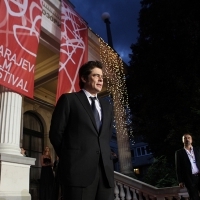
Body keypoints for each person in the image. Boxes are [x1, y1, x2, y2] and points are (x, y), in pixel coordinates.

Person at [49, 61, 114, 200]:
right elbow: (56, 133)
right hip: (78, 173)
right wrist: (71, 157)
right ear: (84, 78)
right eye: (96, 75)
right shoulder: (69, 100)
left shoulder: (107, 107)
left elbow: (105, 137)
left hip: (105, 175)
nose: (101, 79)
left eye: (101, 76)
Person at [175, 133, 200, 200]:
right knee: (194, 197)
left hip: (199, 175)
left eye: (189, 138)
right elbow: (178, 167)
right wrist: (180, 181)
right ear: (183, 141)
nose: (187, 139)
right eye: (185, 138)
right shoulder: (179, 153)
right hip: (189, 178)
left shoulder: (197, 150)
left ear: (191, 140)